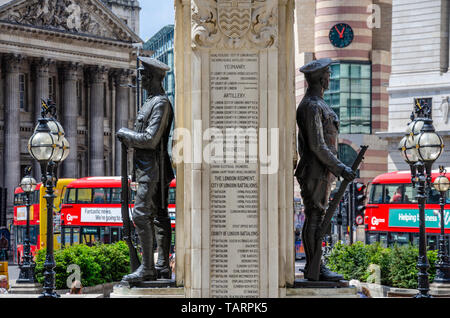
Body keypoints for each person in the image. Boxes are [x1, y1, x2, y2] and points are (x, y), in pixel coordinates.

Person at [295, 58, 356, 281]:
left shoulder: (318, 104)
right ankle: (315, 268)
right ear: (321, 78)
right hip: (314, 171)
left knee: (318, 218)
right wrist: (340, 168)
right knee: (315, 218)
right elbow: (317, 145)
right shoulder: (311, 105)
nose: (330, 79)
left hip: (322, 171)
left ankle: (316, 266)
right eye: (329, 75)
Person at [117, 57, 174, 283]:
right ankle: (160, 266)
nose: (140, 80)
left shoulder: (160, 103)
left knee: (142, 215)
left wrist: (126, 134)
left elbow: (151, 139)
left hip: (153, 168)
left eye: (143, 76)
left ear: (152, 78)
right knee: (158, 216)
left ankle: (148, 268)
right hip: (146, 168)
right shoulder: (149, 102)